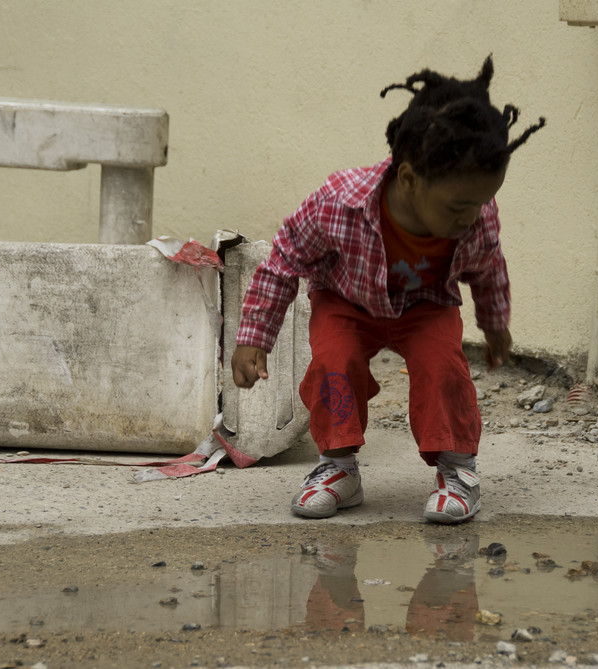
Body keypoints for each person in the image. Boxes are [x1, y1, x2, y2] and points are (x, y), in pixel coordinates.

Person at [231, 55, 544, 524]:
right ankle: (338, 469)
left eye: (480, 203)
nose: (471, 217)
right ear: (410, 179)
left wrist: (495, 324)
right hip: (345, 301)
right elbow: (283, 261)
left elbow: (487, 267)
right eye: (460, 206)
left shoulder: (475, 216)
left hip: (426, 304)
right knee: (334, 365)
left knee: (443, 367)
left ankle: (458, 471)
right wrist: (255, 335)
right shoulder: (339, 202)